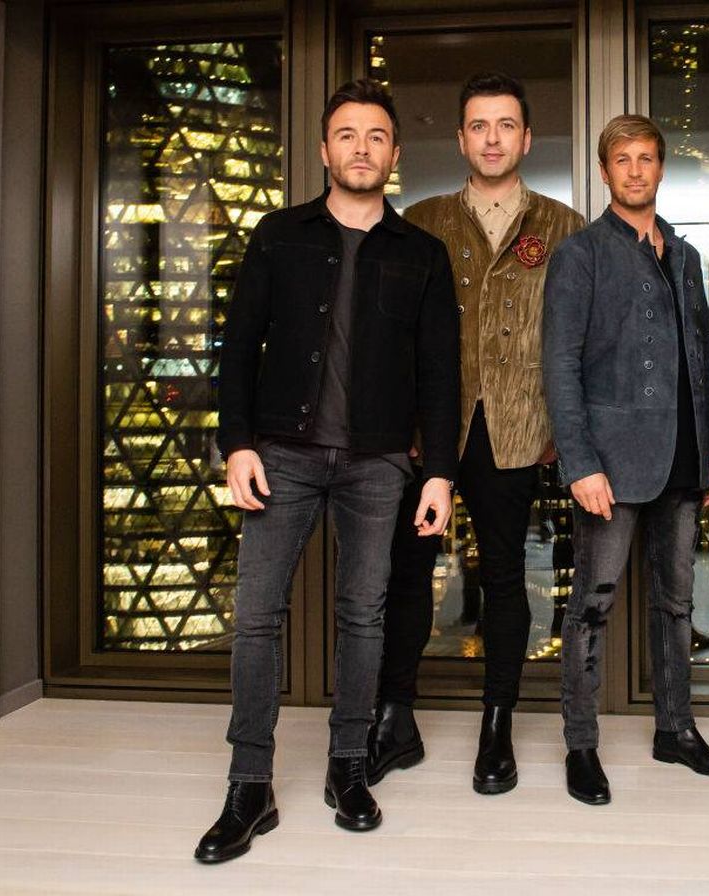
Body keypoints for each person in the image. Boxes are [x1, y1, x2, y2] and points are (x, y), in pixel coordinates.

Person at [194, 78, 459, 863]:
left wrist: (439, 473)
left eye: (377, 136)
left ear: (395, 153)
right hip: (281, 453)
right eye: (348, 135)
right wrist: (236, 442)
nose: (362, 148)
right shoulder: (280, 234)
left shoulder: (424, 254)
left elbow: (441, 374)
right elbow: (238, 346)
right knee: (255, 616)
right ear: (324, 149)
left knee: (362, 616)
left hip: (380, 462)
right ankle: (250, 783)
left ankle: (349, 766)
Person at [368, 72, 585, 796]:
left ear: (526, 137)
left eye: (506, 125)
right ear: (460, 138)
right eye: (478, 125)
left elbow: (581, 337)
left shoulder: (564, 226)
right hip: (427, 428)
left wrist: (563, 421)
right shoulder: (421, 219)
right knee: (407, 573)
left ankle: (498, 725)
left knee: (503, 576)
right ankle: (395, 716)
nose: (492, 138)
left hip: (517, 427)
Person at [543, 114, 709, 806]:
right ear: (604, 171)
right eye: (622, 159)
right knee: (591, 606)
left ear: (659, 168)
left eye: (646, 158)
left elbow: (704, 361)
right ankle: (581, 744)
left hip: (684, 457)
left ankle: (675, 730)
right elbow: (559, 366)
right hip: (610, 464)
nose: (634, 170)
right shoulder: (580, 254)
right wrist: (581, 463)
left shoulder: (683, 255)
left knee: (676, 603)